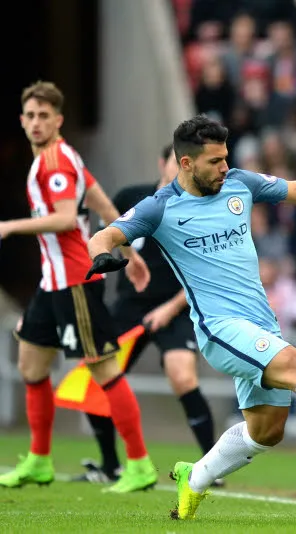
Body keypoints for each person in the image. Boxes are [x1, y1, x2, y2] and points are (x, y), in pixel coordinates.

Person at [86, 114, 296, 520]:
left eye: (226, 158)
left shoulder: (239, 183)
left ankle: (194, 478)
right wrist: (101, 256)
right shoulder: (160, 207)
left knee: (267, 431)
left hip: (261, 323)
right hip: (220, 329)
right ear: (186, 163)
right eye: (215, 161)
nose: (224, 167)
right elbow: (105, 235)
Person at [0, 81, 158, 493]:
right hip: (52, 283)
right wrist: (132, 254)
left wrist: (10, 226)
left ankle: (139, 464)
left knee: (103, 369)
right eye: (30, 116)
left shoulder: (55, 161)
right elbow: (100, 201)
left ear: (58, 120)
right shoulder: (62, 156)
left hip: (75, 281)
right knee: (31, 365)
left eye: (43, 116)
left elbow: (68, 217)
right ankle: (39, 461)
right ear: (22, 120)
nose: (36, 122)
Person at [73, 144, 219, 486]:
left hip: (176, 305)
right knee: (95, 372)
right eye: (175, 161)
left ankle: (213, 467)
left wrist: (170, 309)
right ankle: (110, 465)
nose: (180, 168)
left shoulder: (200, 209)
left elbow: (205, 272)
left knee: (182, 375)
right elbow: (102, 238)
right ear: (162, 163)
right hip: (130, 305)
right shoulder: (131, 198)